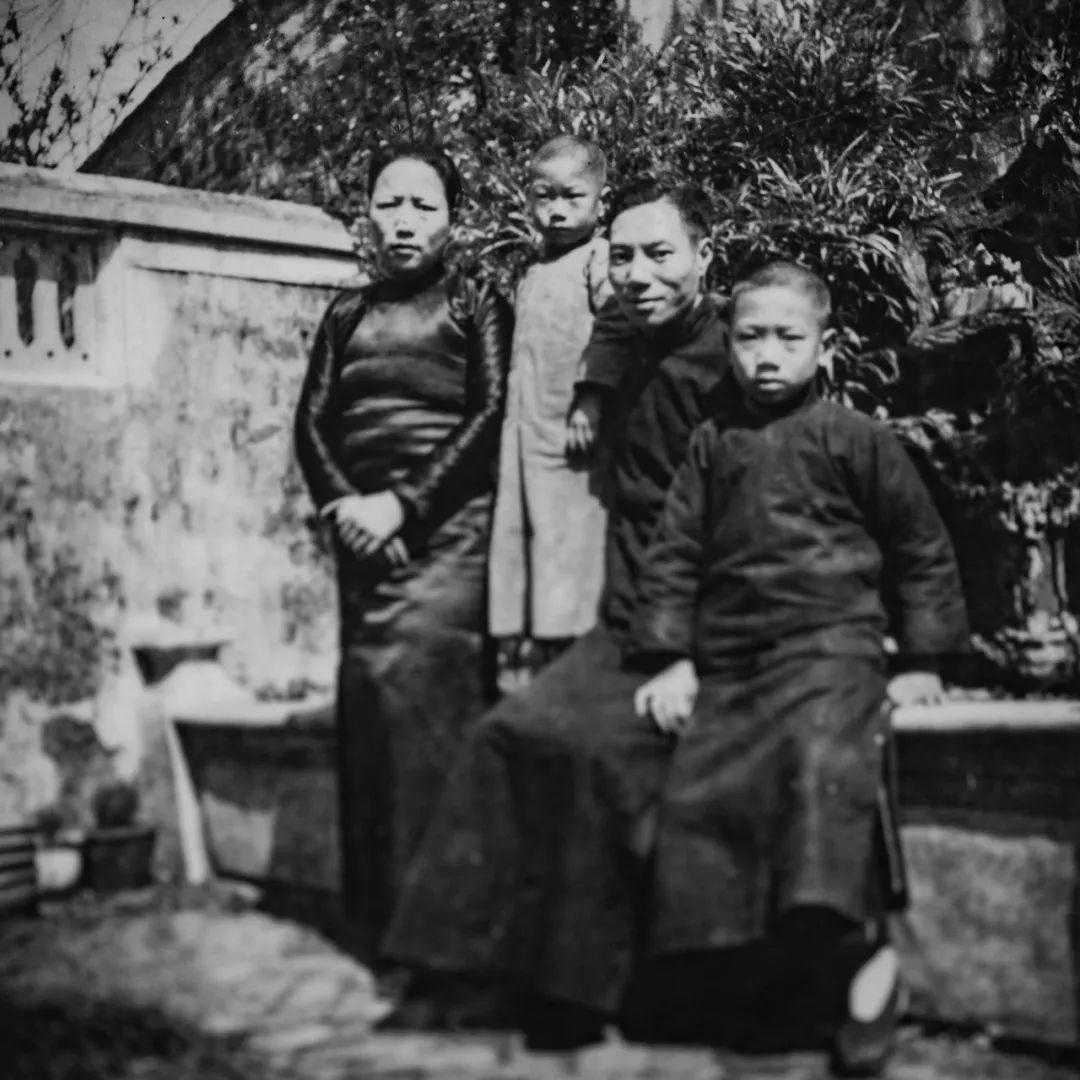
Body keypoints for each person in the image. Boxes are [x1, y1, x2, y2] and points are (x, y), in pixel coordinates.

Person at [382, 176, 729, 1044]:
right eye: (624, 257)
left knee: (600, 754)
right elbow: (596, 343)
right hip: (631, 619)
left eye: (661, 254)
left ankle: (572, 993)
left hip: (716, 629)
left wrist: (690, 649)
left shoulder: (736, 361)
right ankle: (460, 967)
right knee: (507, 732)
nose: (638, 275)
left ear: (705, 257)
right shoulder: (623, 345)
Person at [629, 261, 969, 1073]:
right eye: (751, 338)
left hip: (831, 650)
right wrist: (670, 658)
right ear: (729, 345)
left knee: (819, 763)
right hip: (735, 659)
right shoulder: (711, 446)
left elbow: (921, 548)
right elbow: (674, 554)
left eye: (788, 337)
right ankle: (761, 980)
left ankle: (862, 961)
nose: (768, 355)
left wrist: (923, 660)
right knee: (704, 786)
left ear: (827, 345)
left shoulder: (858, 438)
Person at [293, 143, 513, 962]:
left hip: (448, 539)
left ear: (453, 218)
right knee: (369, 717)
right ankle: (380, 928)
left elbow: (490, 415)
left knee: (433, 717)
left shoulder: (478, 301)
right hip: (363, 543)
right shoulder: (345, 315)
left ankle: (450, 938)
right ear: (368, 215)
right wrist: (346, 504)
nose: (406, 220)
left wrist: (404, 505)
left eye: (424, 204)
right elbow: (311, 423)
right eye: (390, 203)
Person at [488, 135, 615, 690]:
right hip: (525, 432)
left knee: (572, 537)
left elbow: (614, 327)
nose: (557, 210)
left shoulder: (599, 257)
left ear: (600, 203)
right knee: (526, 533)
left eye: (572, 197)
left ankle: (572, 655)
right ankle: (526, 655)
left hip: (572, 434)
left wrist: (592, 396)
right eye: (545, 196)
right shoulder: (532, 270)